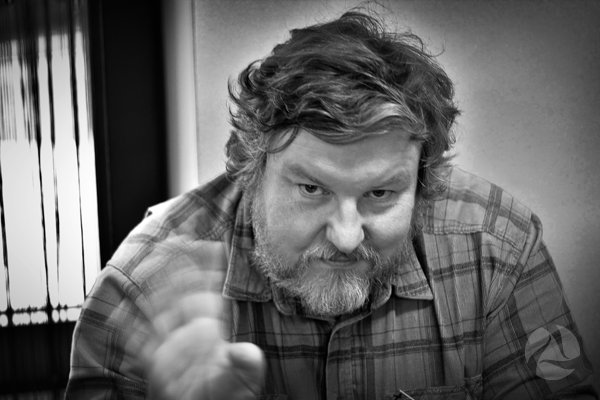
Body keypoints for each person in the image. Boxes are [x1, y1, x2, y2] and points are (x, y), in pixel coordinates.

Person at [66, 10, 596, 400]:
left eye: (380, 193)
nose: (346, 236)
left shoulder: (498, 249)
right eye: (311, 189)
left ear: (424, 184)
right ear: (250, 170)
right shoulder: (141, 289)